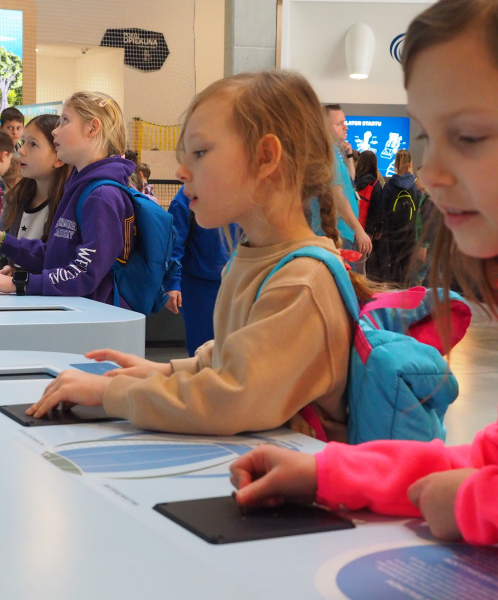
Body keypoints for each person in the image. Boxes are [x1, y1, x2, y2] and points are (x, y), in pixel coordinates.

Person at [229, 0, 498, 580]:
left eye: (469, 136)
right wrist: (330, 474)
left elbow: (497, 485)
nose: (431, 173)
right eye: (426, 137)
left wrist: (485, 508)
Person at [24, 70, 381, 442]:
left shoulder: (301, 282)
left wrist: (111, 393)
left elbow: (230, 399)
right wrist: (159, 372)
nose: (181, 171)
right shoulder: (251, 259)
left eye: (199, 153)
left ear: (265, 158)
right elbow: (229, 356)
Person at [0, 92, 136, 305]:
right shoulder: (79, 188)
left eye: (65, 121)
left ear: (92, 128)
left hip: (95, 316)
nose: (56, 130)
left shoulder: (102, 196)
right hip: (77, 311)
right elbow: (56, 256)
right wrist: (5, 243)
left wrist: (19, 283)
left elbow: (83, 274)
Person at [165, 186, 238, 356]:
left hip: (236, 279)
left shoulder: (240, 190)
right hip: (198, 285)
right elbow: (174, 245)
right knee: (203, 347)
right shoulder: (185, 197)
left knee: (236, 347)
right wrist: (172, 283)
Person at [0, 114, 68, 250]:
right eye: (23, 142)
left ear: (59, 158)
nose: (21, 150)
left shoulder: (69, 205)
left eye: (33, 144)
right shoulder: (16, 196)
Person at [310, 104, 372, 256]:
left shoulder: (331, 152)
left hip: (339, 233)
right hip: (336, 234)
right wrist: (359, 230)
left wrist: (349, 157)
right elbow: (337, 196)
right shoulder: (327, 155)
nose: (346, 127)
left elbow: (349, 184)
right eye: (339, 124)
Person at [382, 149, 420, 285]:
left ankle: (395, 291)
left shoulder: (389, 184)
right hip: (410, 231)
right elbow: (418, 206)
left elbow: (384, 208)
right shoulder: (415, 185)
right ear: (410, 163)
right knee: (408, 266)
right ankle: (406, 291)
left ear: (396, 163)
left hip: (393, 230)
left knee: (394, 264)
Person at [354, 150, 389, 281]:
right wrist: (377, 230)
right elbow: (377, 210)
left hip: (349, 228)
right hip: (366, 229)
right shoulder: (374, 184)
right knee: (361, 263)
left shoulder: (352, 181)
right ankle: (359, 289)